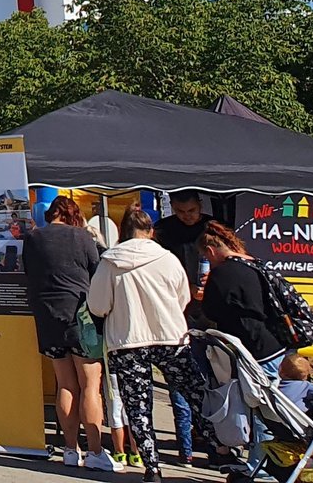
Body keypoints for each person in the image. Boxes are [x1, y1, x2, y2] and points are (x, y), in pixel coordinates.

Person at [88, 207, 210, 482]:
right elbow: (182, 299)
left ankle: (152, 466)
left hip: (128, 339)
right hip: (170, 335)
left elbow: (97, 305)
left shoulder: (109, 262)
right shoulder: (168, 259)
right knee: (193, 394)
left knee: (138, 405)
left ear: (122, 231)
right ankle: (220, 448)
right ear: (151, 232)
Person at [196, 220, 290, 481]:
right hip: (273, 346)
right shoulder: (253, 265)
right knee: (267, 408)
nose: (207, 260)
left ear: (211, 251)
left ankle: (261, 467)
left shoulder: (221, 274)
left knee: (262, 409)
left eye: (206, 256)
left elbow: (211, 312)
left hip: (254, 351)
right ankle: (261, 463)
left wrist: (205, 290)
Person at [23, 196, 112, 469]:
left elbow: (28, 272)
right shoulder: (81, 237)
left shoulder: (32, 239)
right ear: (73, 215)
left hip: (47, 317)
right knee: (90, 386)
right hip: (81, 316)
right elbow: (98, 273)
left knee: (65, 384)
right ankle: (96, 452)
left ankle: (70, 450)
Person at [151, 189, 216, 466]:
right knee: (180, 378)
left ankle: (212, 442)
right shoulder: (163, 230)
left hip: (210, 308)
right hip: (176, 309)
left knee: (211, 378)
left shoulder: (212, 227)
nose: (186, 217)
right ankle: (185, 447)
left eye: (191, 211)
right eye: (180, 212)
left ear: (200, 206)